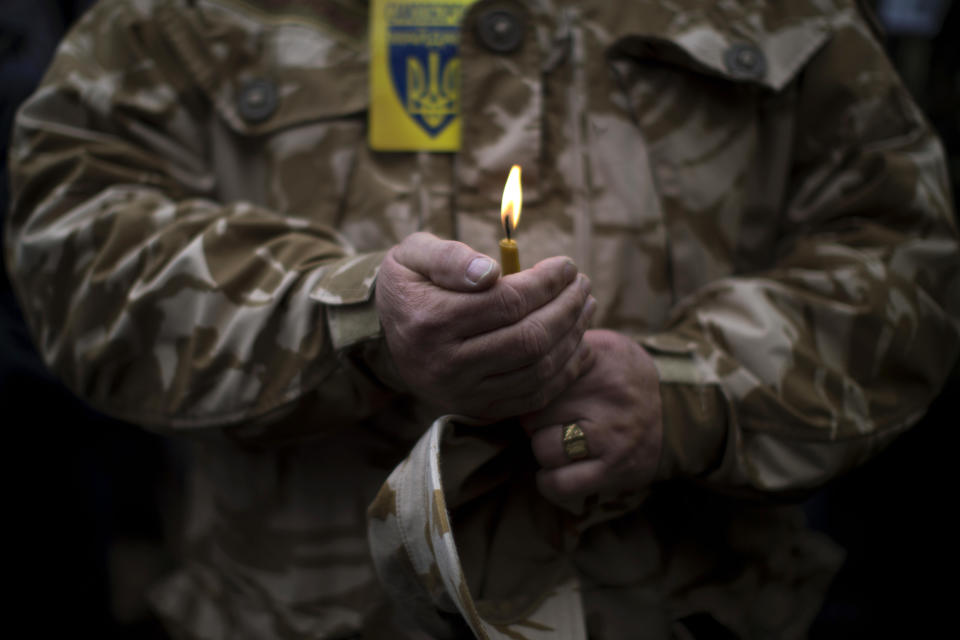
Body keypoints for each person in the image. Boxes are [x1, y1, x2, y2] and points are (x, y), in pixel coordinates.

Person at [5, 0, 959, 638]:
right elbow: (73, 236)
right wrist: (346, 317)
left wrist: (688, 394)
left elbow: (902, 250)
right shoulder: (180, 19)